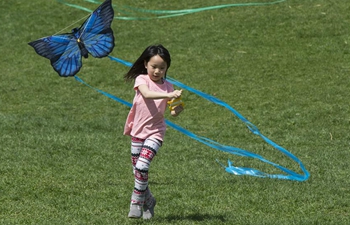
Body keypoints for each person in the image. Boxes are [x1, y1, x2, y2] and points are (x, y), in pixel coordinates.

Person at [123, 44, 183, 219]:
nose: (157, 71)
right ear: (145, 64)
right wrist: (168, 96)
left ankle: (136, 202)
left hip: (155, 133)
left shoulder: (169, 87)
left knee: (142, 166)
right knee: (138, 172)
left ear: (167, 68)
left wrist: (177, 109)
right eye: (154, 67)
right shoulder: (141, 80)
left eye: (162, 68)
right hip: (137, 131)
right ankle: (150, 201)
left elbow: (172, 111)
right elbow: (147, 94)